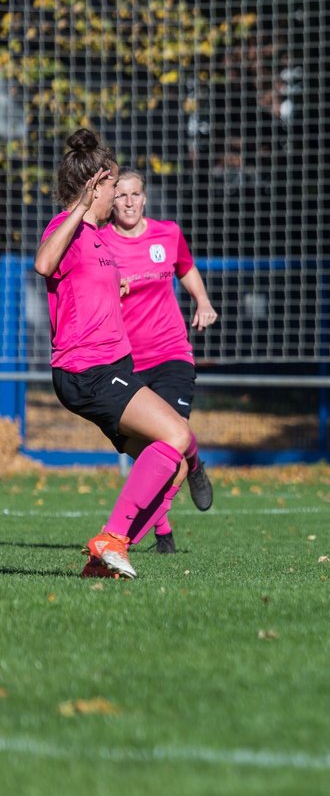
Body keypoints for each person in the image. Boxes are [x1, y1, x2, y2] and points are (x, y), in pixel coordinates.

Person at [33, 129, 202, 579]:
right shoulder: (65, 228)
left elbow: (86, 286)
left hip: (109, 368)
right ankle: (112, 538)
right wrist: (78, 209)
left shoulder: (100, 240)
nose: (116, 197)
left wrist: (117, 286)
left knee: (174, 465)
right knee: (177, 436)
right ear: (94, 188)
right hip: (87, 368)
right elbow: (44, 264)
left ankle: (105, 559)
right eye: (110, 187)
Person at [99, 167, 217, 553]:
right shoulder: (101, 244)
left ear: (145, 198)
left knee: (175, 433)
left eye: (135, 195)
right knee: (151, 445)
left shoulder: (168, 234)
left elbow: (185, 268)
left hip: (171, 353)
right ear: (111, 201)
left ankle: (194, 466)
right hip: (126, 359)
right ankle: (163, 531)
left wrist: (202, 301)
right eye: (121, 196)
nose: (129, 202)